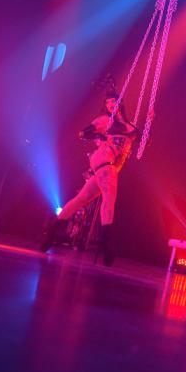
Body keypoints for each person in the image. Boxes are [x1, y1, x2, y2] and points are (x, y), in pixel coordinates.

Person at [41, 93, 140, 265]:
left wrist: (150, 120)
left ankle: (52, 230)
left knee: (81, 199)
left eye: (113, 101)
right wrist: (97, 136)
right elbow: (83, 133)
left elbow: (144, 139)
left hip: (106, 168)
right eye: (107, 102)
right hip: (105, 163)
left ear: (120, 102)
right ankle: (107, 243)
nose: (110, 104)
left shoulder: (130, 125)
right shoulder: (105, 120)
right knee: (109, 199)